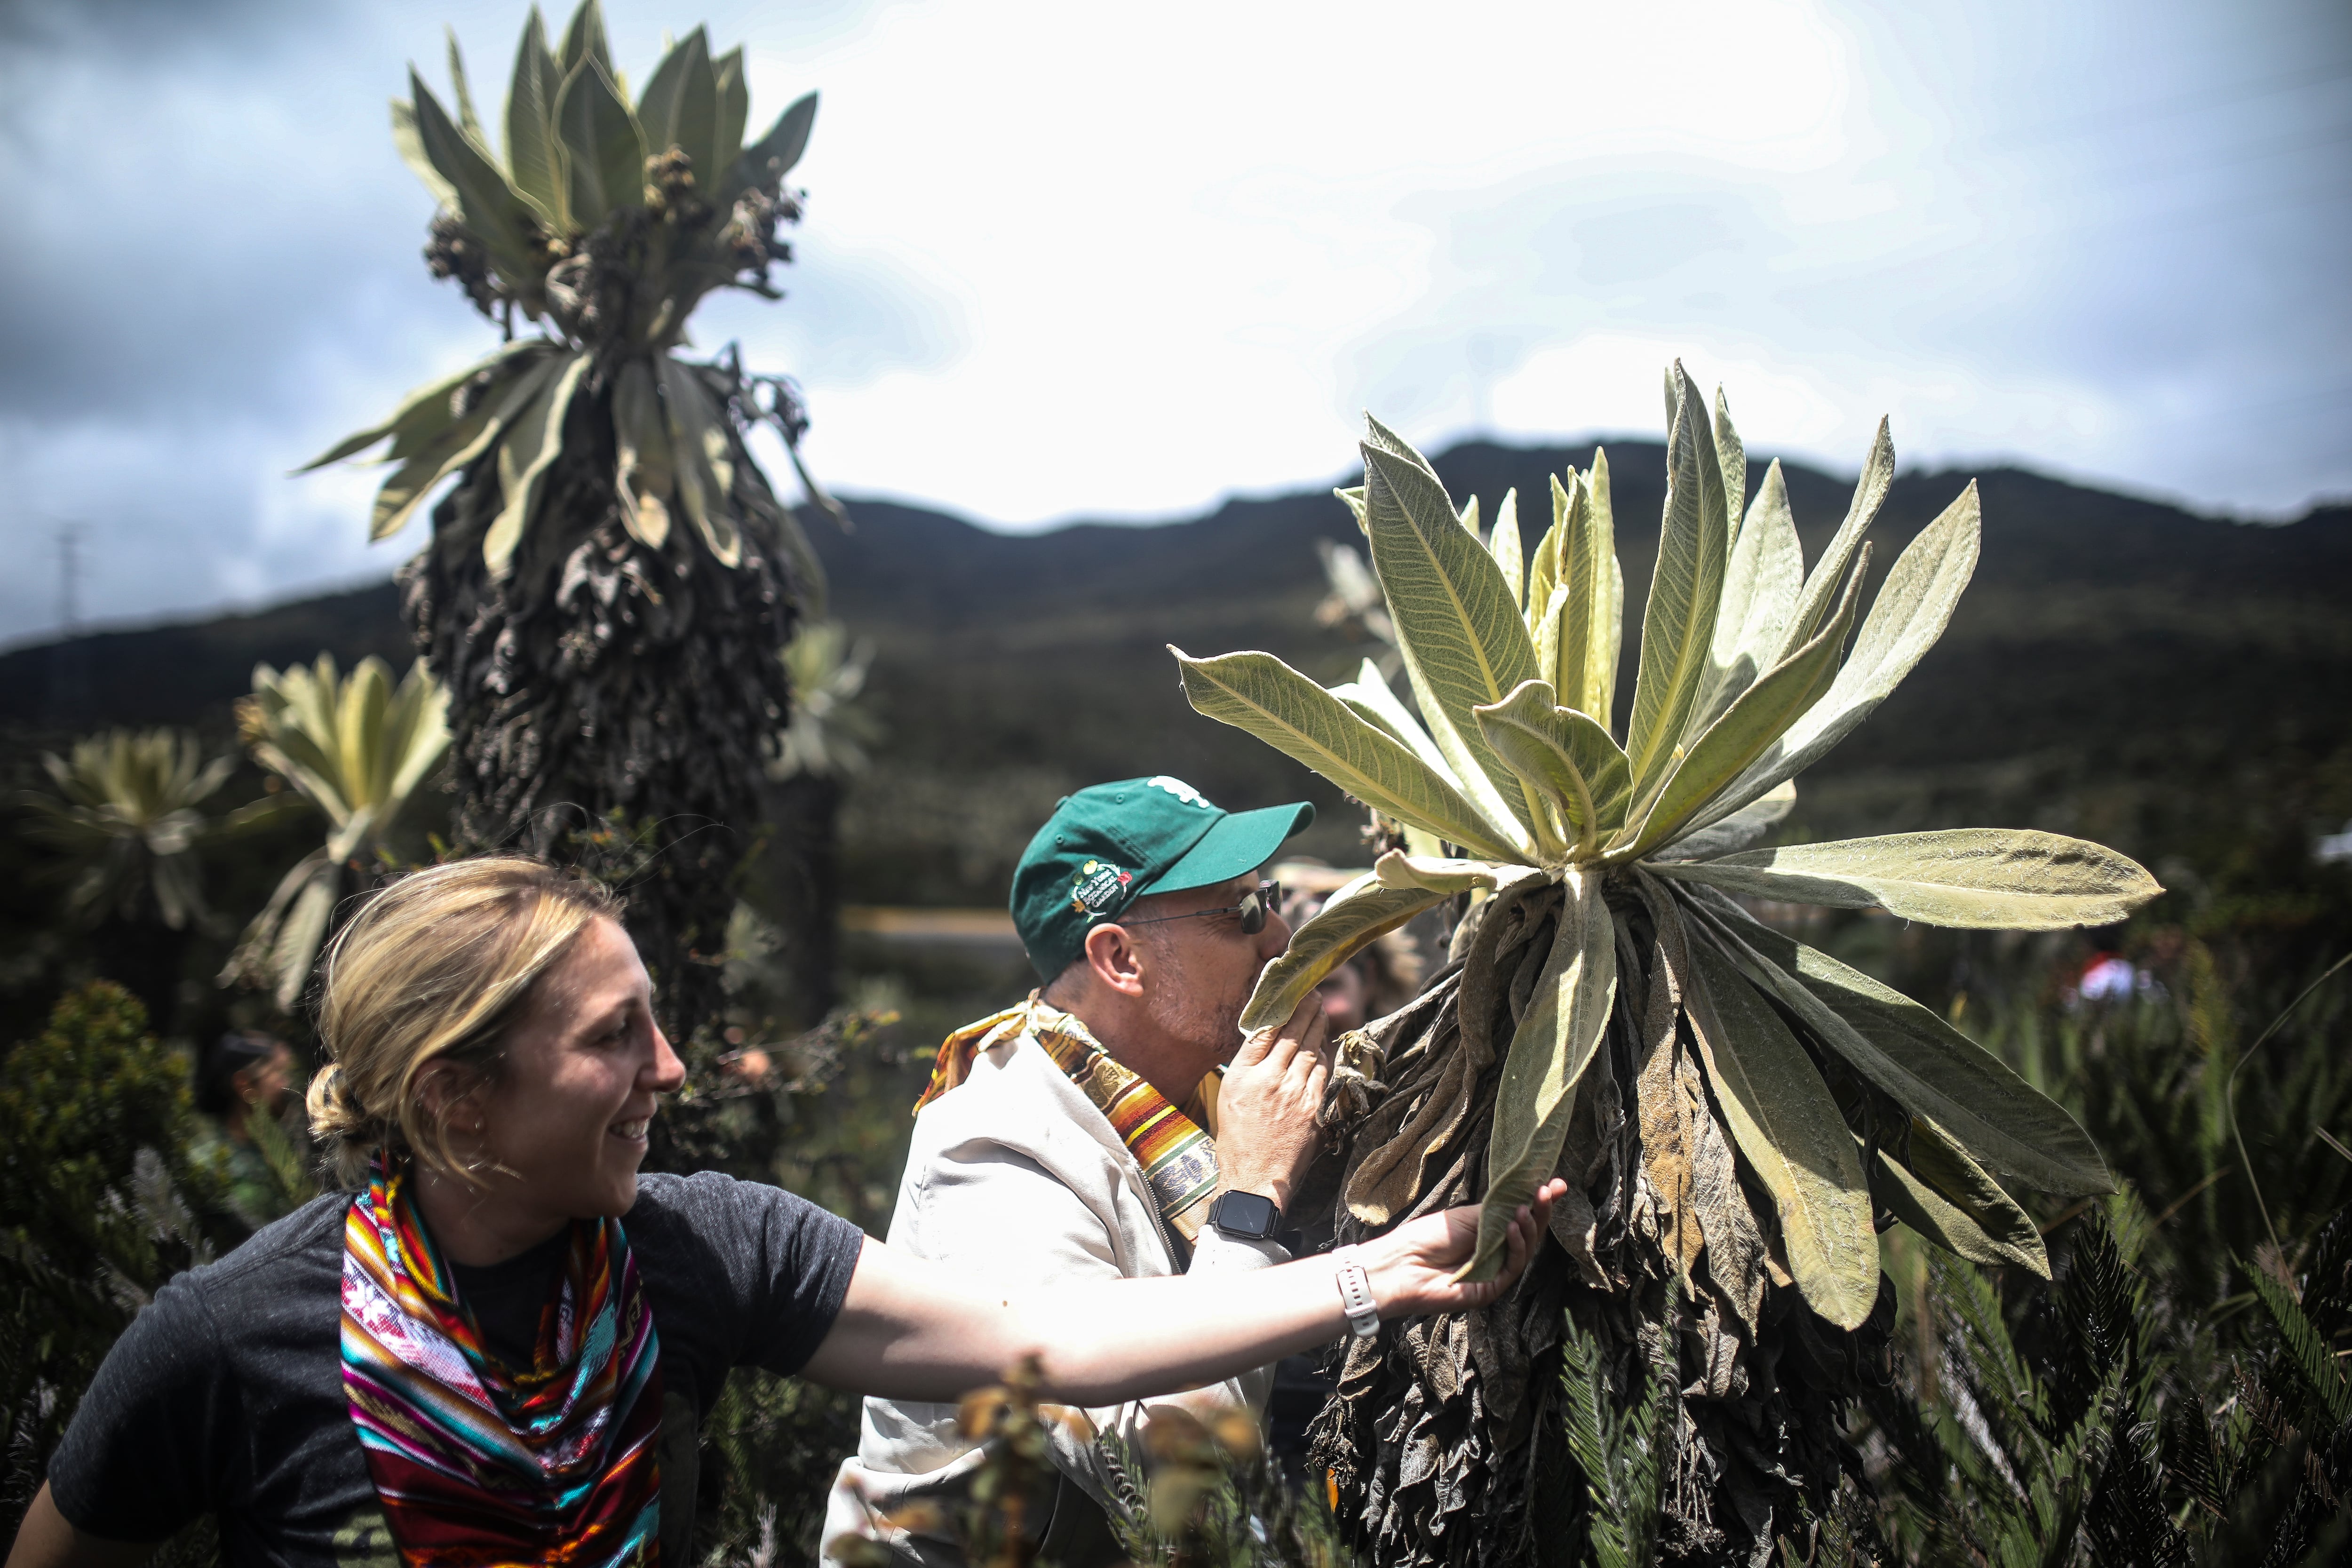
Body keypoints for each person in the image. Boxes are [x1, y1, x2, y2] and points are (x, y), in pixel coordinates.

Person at [8, 855, 1557, 1568]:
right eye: (614, 1037)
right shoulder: (225, 1337)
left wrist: (1383, 1266)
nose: (672, 1068)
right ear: (453, 1097)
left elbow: (1050, 1344)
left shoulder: (700, 1250)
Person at [828, 777, 1353, 1566]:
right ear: (1119, 957)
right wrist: (1252, 1195)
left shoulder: (1204, 1101)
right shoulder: (993, 1151)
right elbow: (1176, 1489)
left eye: (1267, 896)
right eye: (1239, 911)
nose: (1278, 935)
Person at [193, 1030, 298, 1225]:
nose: (286, 1085)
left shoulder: (290, 1147)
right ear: (244, 1084)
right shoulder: (209, 1165)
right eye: (277, 1073)